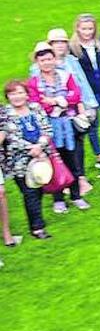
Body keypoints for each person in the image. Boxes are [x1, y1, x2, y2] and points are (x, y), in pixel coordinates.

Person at [27, 43, 87, 213]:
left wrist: (53, 101)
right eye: (42, 60)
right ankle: (58, 199)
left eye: (49, 59)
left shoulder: (65, 75)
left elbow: (76, 95)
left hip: (68, 124)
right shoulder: (33, 83)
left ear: (54, 59)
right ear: (37, 62)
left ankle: (76, 195)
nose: (47, 63)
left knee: (73, 160)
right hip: (48, 126)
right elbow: (36, 104)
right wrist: (61, 101)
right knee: (54, 161)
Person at [0, 80, 53, 239]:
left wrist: (40, 146)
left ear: (27, 94)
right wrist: (32, 149)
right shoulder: (5, 113)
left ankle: (36, 221)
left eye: (20, 92)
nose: (17, 97)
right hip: (19, 161)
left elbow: (47, 128)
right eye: (13, 94)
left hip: (42, 155)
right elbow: (11, 138)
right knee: (29, 191)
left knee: (39, 190)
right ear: (8, 97)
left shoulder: (36, 108)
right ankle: (37, 227)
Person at [69, 14, 100, 170]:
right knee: (93, 124)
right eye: (84, 29)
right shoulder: (73, 48)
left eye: (90, 28)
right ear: (77, 28)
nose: (87, 32)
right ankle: (99, 155)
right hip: (89, 92)